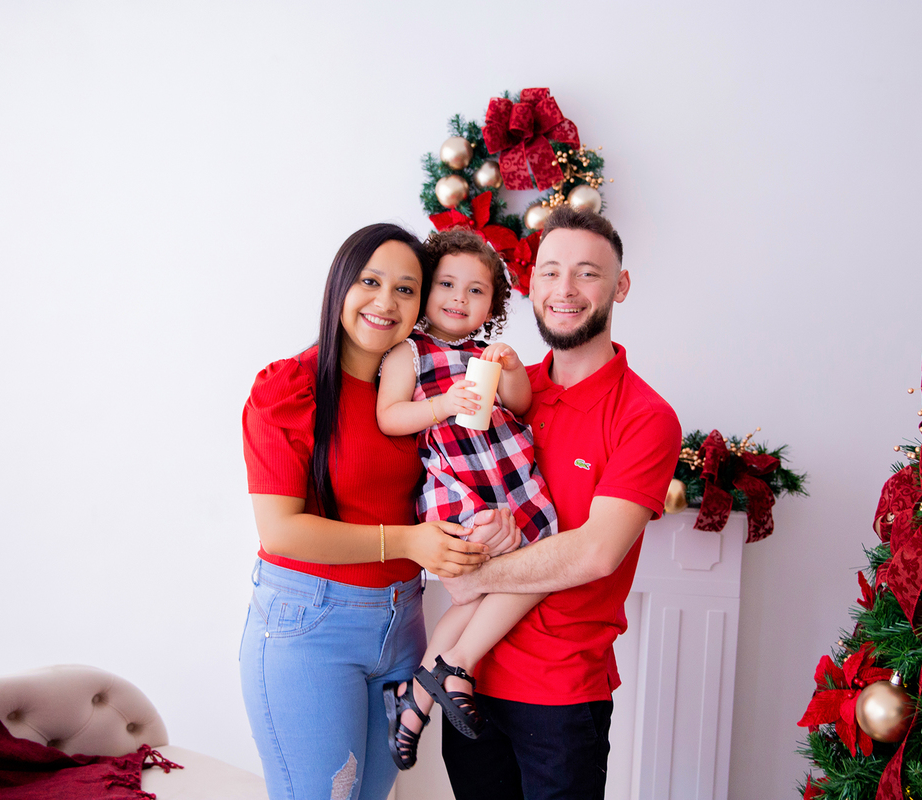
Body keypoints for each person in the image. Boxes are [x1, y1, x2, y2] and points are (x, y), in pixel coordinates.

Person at [238, 223, 506, 800]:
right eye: (370, 281)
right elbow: (279, 531)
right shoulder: (290, 387)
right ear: (340, 286)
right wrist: (409, 542)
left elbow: (464, 479)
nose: (386, 302)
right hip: (310, 627)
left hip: (403, 629)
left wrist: (493, 522)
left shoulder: (424, 391)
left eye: (407, 289)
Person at [439, 207, 683, 800]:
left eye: (586, 274)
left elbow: (596, 553)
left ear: (620, 286)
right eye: (549, 272)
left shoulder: (646, 417)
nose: (564, 290)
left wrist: (476, 577)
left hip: (559, 699)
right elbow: (444, 473)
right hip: (466, 683)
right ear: (530, 285)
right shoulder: (502, 391)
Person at [373, 228, 558, 770]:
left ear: (493, 306)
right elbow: (389, 417)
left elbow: (519, 407)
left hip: (510, 477)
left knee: (528, 569)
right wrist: (442, 404)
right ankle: (456, 666)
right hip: (457, 485)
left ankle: (415, 701)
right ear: (427, 291)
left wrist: (515, 372)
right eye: (448, 284)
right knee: (504, 579)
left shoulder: (488, 354)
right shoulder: (409, 352)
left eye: (477, 291)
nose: (460, 298)